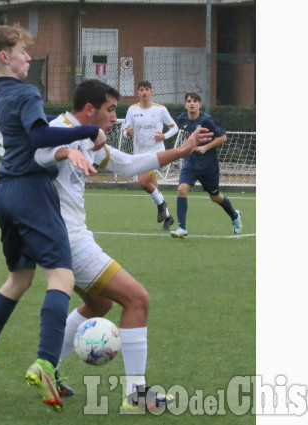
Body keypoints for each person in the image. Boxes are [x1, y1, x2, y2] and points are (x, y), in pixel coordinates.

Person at [33, 79, 213, 410]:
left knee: (99, 304)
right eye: (111, 109)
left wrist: (182, 150)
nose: (116, 117)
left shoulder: (89, 137)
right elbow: (38, 152)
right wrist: (67, 150)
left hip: (64, 235)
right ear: (90, 109)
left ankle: (46, 367)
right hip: (66, 237)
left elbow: (128, 164)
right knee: (137, 298)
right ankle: (137, 393)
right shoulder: (60, 128)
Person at [0, 25, 107, 412]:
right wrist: (90, 131)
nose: (27, 57)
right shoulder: (25, 92)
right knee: (62, 277)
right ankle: (45, 363)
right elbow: (39, 138)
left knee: (18, 280)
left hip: (4, 192)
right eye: (22, 50)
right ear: (4, 56)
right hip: (30, 192)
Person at [170, 92, 242, 239]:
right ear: (185, 104)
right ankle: (182, 228)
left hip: (208, 166)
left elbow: (223, 137)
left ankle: (235, 215)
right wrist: (184, 148)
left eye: (195, 101)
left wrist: (205, 147)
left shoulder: (207, 120)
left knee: (215, 196)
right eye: (189, 101)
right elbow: (187, 135)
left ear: (199, 104)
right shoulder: (182, 119)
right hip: (190, 163)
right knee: (181, 189)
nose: (192, 103)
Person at [123, 80, 179, 231]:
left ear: (151, 92)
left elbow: (174, 128)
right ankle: (167, 216)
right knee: (152, 185)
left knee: (143, 181)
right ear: (138, 93)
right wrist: (127, 133)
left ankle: (161, 206)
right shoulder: (132, 110)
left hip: (157, 153)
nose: (144, 92)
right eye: (141, 90)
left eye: (147, 89)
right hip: (140, 154)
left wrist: (164, 136)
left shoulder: (160, 110)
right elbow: (125, 131)